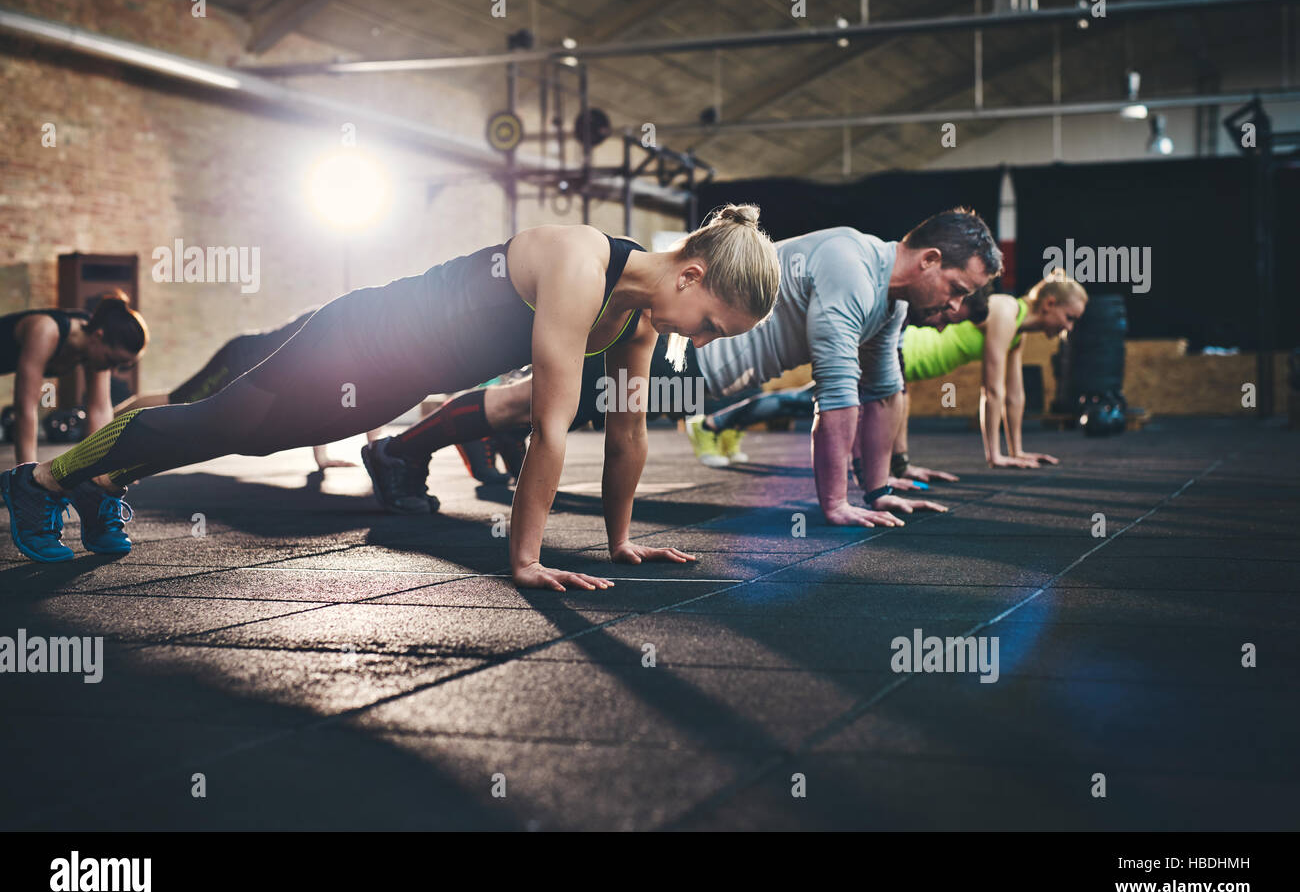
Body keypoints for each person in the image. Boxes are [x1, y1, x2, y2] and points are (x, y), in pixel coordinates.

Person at [2, 207, 781, 592]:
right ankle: (41, 482)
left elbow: (627, 436)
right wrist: (526, 559)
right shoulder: (581, 262)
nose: (705, 342)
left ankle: (107, 482)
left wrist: (618, 542)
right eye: (713, 324)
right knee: (225, 420)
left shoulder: (637, 321)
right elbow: (548, 424)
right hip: (363, 335)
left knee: (251, 437)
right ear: (692, 277)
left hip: (394, 376)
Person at [364, 208, 1001, 528]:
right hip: (681, 352)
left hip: (702, 370)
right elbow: (837, 395)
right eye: (959, 288)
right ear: (929, 260)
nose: (958, 306)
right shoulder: (851, 264)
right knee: (535, 402)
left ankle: (480, 435)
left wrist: (888, 480)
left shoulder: (887, 305)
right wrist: (835, 502)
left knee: (540, 402)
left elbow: (885, 392)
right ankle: (397, 451)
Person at [114, 308, 387, 479]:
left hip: (258, 364)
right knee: (179, 401)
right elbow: (327, 395)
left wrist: (325, 459)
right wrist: (364, 452)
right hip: (239, 359)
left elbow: (350, 398)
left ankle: (110, 422)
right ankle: (109, 422)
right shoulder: (342, 333)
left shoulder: (357, 345)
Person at [0, 292, 148, 555]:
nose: (112, 370)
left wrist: (106, 470)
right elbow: (26, 408)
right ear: (99, 336)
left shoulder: (94, 342)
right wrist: (30, 482)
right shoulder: (46, 331)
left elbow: (100, 409)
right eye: (113, 361)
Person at [894, 270, 1088, 470]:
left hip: (914, 364)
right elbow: (991, 389)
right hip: (911, 351)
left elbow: (1014, 395)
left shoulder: (1017, 330)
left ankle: (898, 467)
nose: (1069, 327)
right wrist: (995, 456)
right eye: (1069, 317)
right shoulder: (1005, 310)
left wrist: (1017, 451)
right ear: (1049, 304)